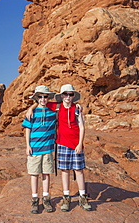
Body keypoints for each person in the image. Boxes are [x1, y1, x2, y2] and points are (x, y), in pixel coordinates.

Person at [26, 84, 91, 212]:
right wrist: (30, 108)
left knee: (79, 170)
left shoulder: (76, 109)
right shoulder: (56, 106)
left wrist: (80, 143)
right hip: (61, 143)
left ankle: (82, 196)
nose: (68, 96)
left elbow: (82, 127)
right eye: (65, 94)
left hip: (75, 144)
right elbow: (39, 104)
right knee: (65, 171)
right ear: (61, 96)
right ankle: (66, 197)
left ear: (73, 96)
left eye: (70, 94)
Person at [22, 85, 56, 214]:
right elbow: (27, 129)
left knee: (46, 174)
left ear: (48, 97)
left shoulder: (53, 111)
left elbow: (67, 102)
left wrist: (79, 106)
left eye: (45, 96)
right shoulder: (31, 113)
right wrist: (27, 145)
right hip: (34, 148)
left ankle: (46, 199)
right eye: (40, 97)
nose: (43, 99)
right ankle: (35, 199)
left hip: (47, 148)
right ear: (36, 98)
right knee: (34, 174)